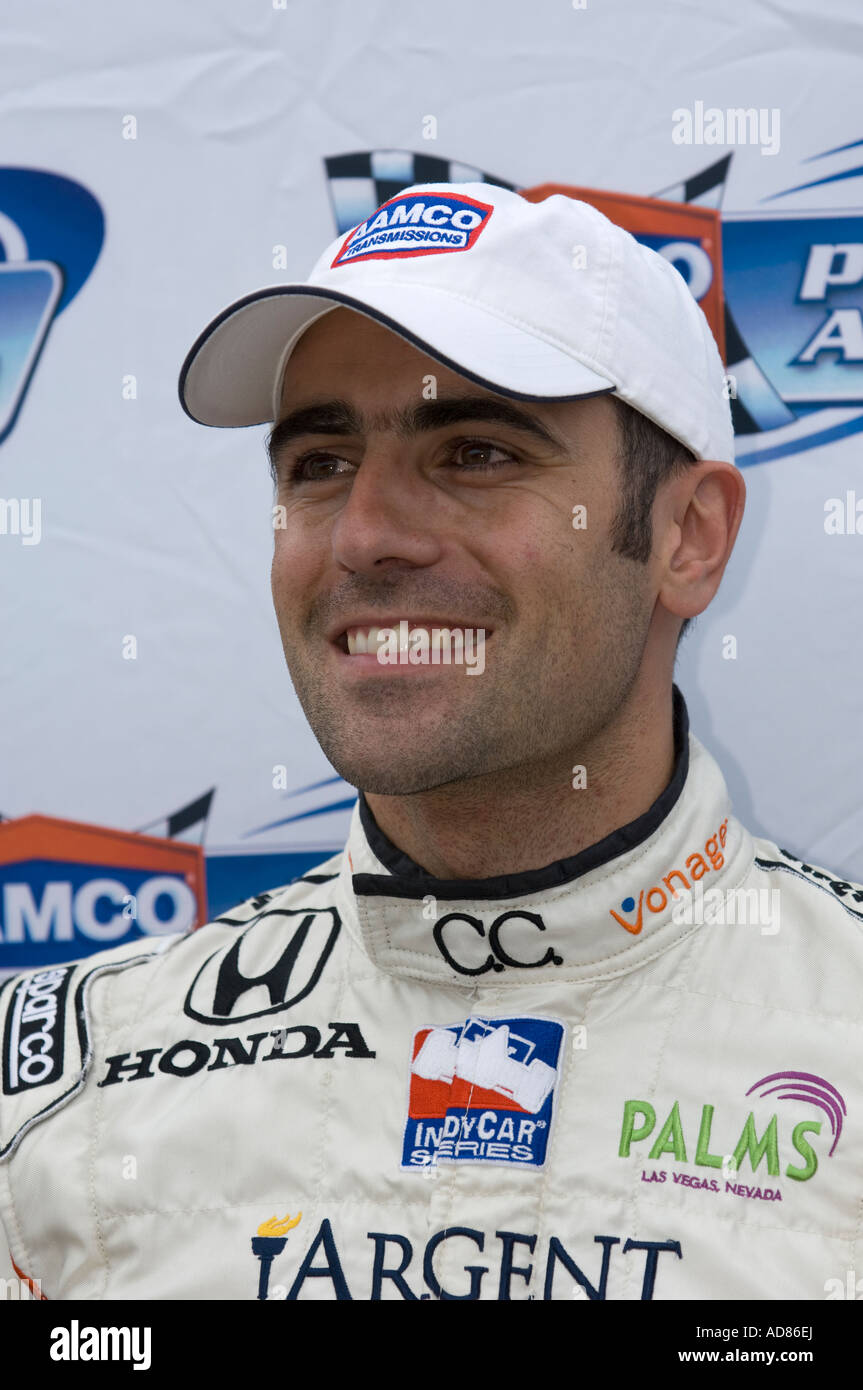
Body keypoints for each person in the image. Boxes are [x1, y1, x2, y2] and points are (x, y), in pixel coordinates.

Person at [1, 183, 860, 1301]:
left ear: (687, 538)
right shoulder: (70, 1085)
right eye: (318, 464)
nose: (365, 536)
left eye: (475, 454)